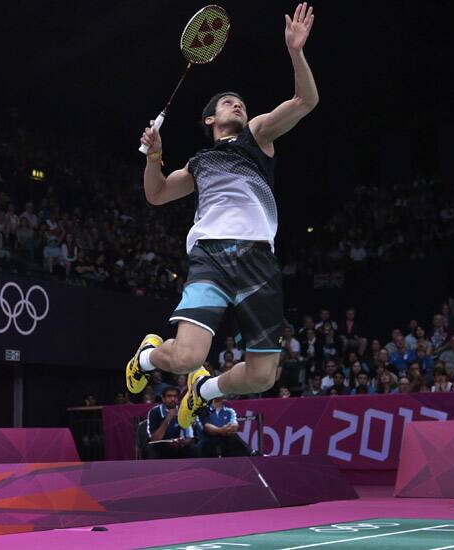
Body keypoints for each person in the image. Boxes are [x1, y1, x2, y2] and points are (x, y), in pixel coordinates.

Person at [126, 3, 319, 429]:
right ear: (210, 119)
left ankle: (205, 390)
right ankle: (145, 357)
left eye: (241, 103)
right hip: (211, 256)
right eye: (228, 103)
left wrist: (296, 52)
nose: (238, 105)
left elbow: (306, 100)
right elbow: (156, 194)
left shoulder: (257, 137)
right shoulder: (198, 163)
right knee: (185, 356)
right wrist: (154, 157)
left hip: (258, 262)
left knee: (262, 376)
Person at [144, 387, 200, 460]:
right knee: (150, 449)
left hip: (178, 445)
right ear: (163, 399)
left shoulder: (183, 411)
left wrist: (182, 443)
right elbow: (154, 439)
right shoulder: (154, 412)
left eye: (175, 396)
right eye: (169, 396)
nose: (173, 399)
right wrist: (168, 419)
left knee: (194, 448)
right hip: (160, 446)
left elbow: (190, 437)